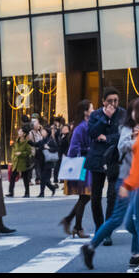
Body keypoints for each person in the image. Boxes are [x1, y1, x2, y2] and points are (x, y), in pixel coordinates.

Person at [82, 97, 139, 272]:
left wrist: (127, 185)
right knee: (130, 222)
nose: (132, 113)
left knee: (138, 223)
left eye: (135, 110)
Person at [86, 88, 126, 230]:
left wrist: (106, 138)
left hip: (115, 158)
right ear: (103, 101)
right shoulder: (96, 114)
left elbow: (123, 135)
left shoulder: (122, 114)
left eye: (116, 100)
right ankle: (99, 225)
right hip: (97, 158)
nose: (113, 104)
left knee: (112, 196)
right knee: (95, 196)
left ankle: (107, 229)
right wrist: (105, 118)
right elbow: (92, 133)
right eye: (110, 101)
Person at [59, 100, 94, 238]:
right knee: (85, 196)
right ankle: (77, 227)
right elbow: (73, 148)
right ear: (86, 111)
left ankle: (70, 221)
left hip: (85, 163)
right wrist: (87, 150)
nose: (94, 109)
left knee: (85, 197)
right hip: (83, 164)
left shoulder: (84, 125)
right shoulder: (82, 127)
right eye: (91, 108)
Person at [8, 124, 34, 198]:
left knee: (25, 178)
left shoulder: (27, 142)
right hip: (16, 162)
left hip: (23, 163)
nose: (19, 132)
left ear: (24, 134)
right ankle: (11, 192)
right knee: (12, 177)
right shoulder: (17, 141)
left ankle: (27, 193)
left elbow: (29, 152)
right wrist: (13, 158)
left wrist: (21, 153)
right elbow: (14, 150)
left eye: (20, 131)